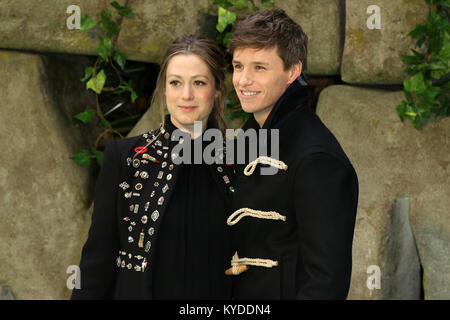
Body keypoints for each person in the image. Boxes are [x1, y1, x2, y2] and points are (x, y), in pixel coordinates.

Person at [71, 35, 234, 299]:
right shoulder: (124, 157)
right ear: (164, 89)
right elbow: (97, 259)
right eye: (176, 83)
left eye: (199, 83)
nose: (186, 95)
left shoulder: (240, 161)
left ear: (216, 91)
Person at [225, 9, 359, 299]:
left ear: (293, 71)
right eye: (238, 66)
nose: (243, 80)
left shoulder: (317, 160)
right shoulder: (251, 137)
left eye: (259, 67)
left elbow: (325, 282)